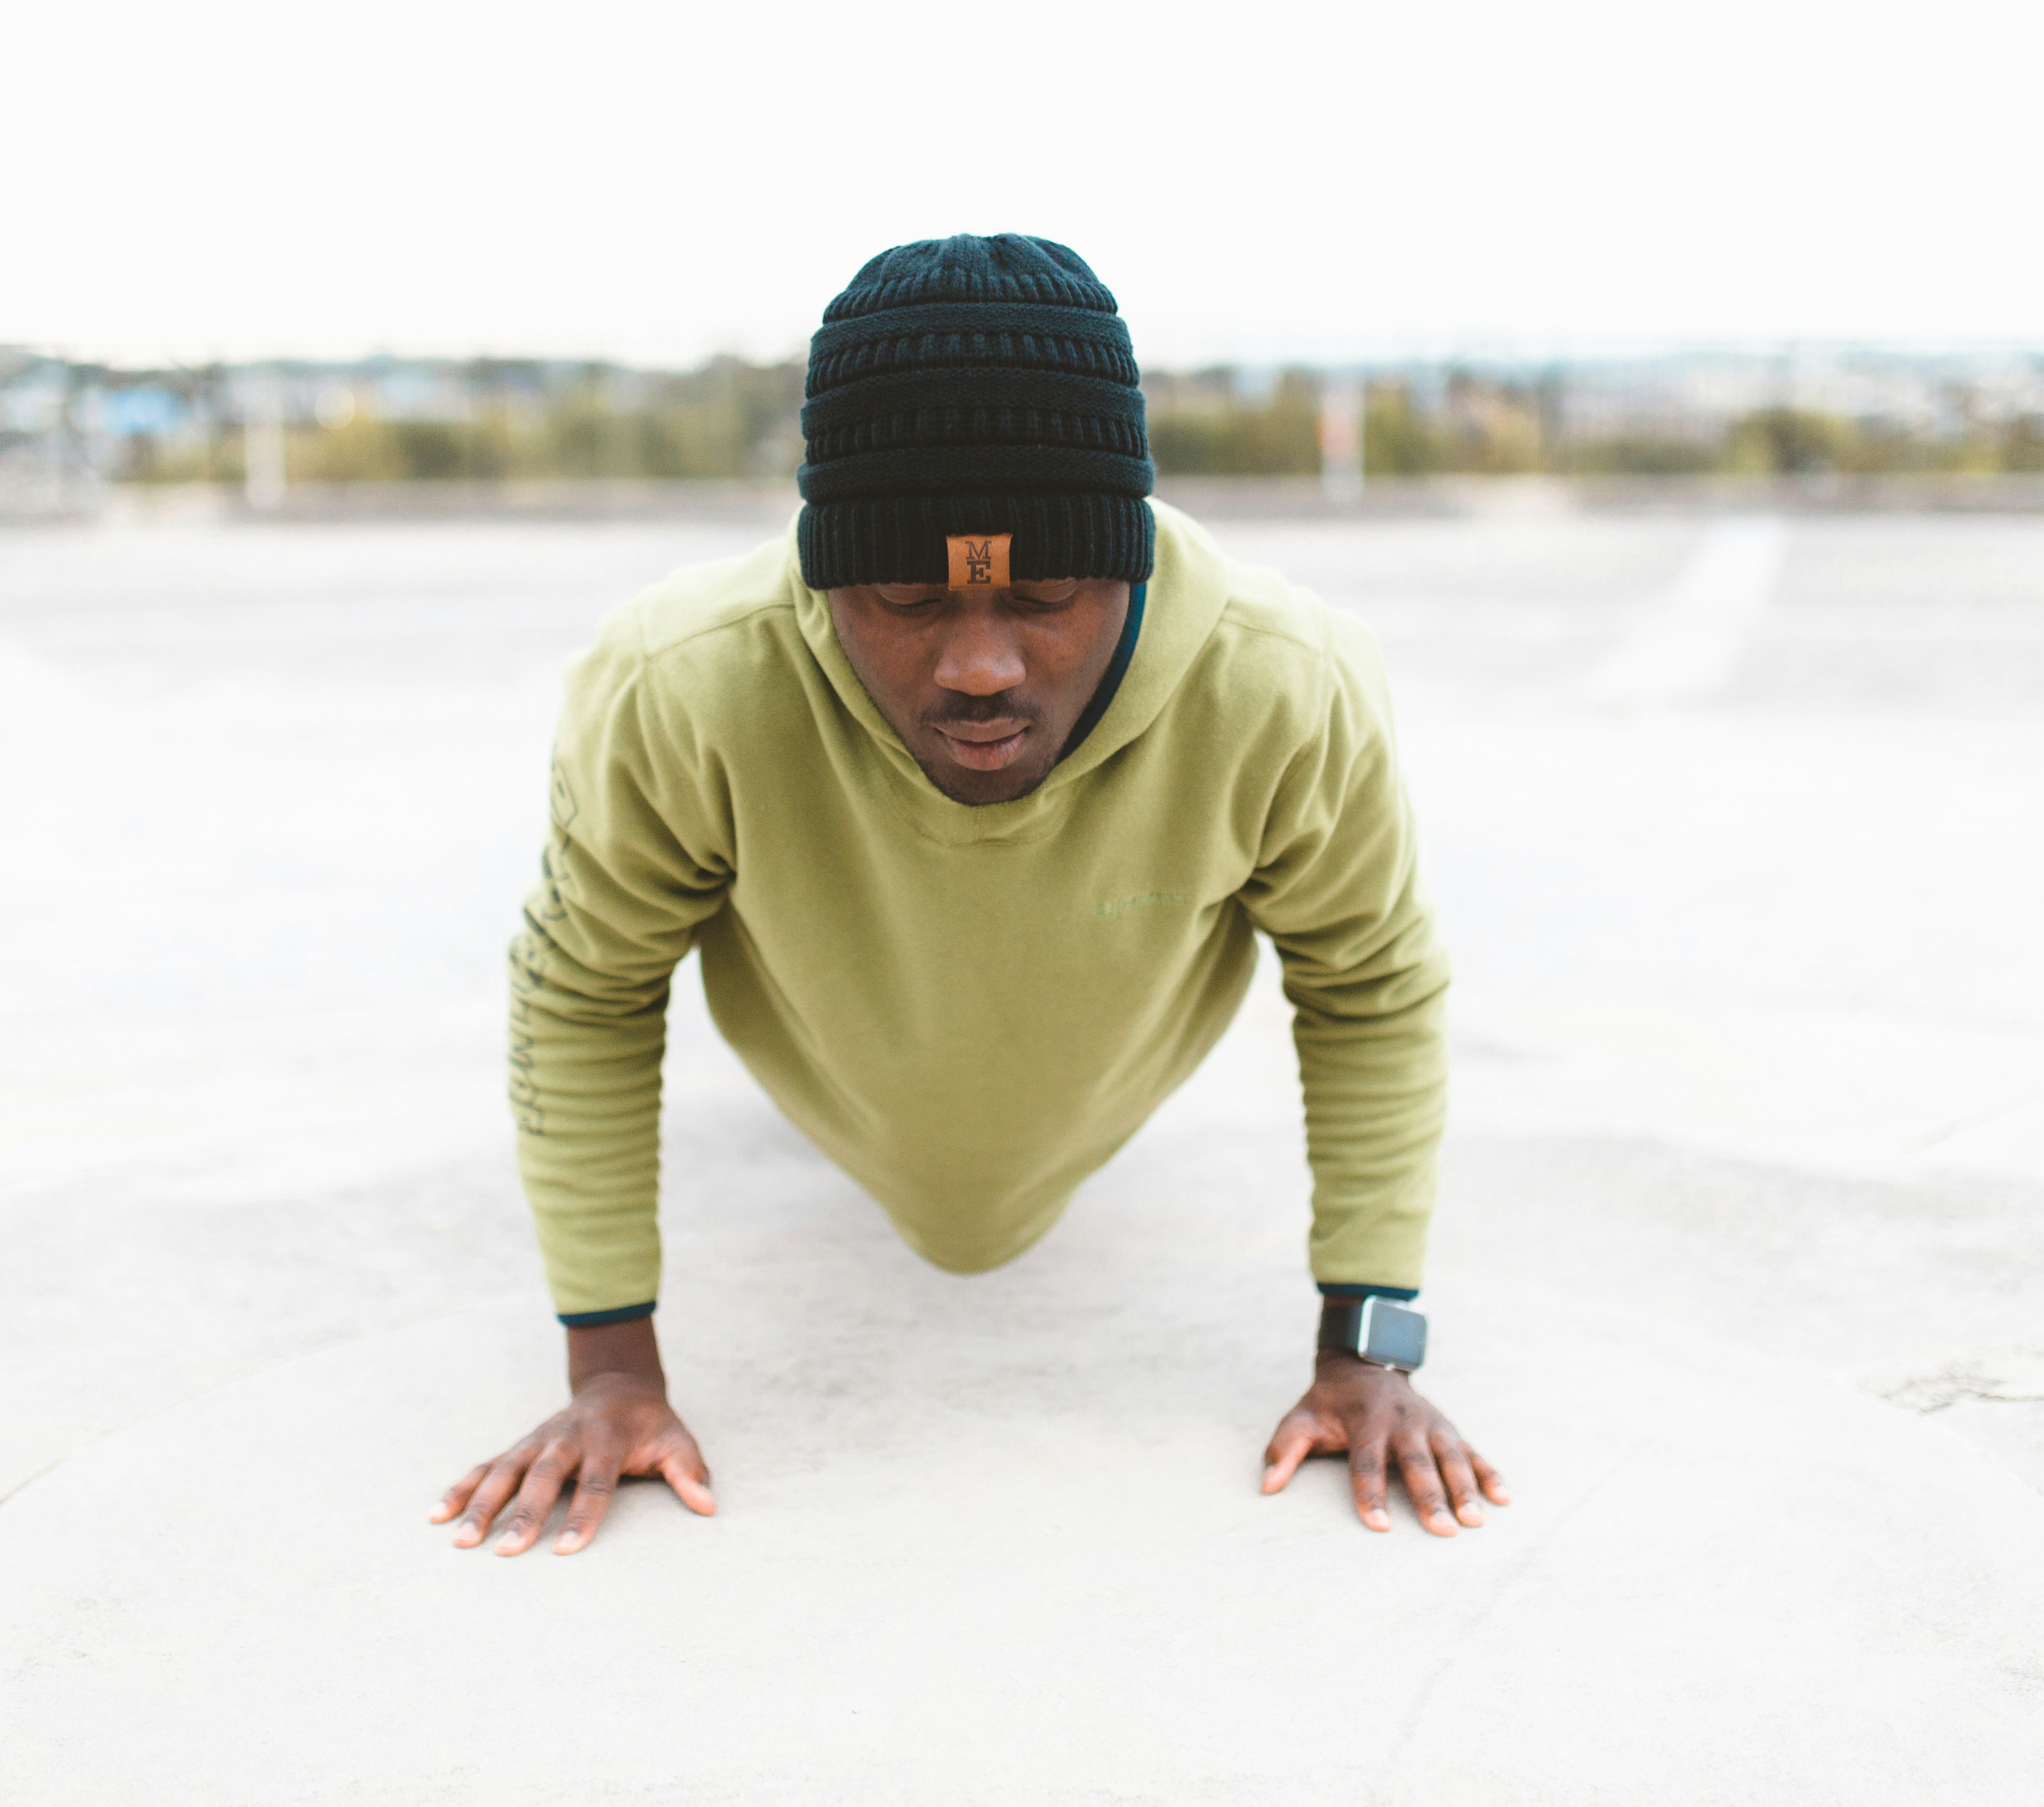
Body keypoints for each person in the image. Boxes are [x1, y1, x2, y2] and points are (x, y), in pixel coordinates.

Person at [431, 234, 1501, 1557]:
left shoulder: (1284, 689)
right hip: (831, 1073)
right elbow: (583, 991)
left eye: (1048, 591)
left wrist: (1371, 1350)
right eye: (905, 594)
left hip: (1100, 1083)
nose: (983, 665)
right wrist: (610, 1376)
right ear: (826, 577)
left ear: (1134, 567)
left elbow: (1374, 988)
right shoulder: (682, 688)